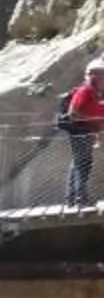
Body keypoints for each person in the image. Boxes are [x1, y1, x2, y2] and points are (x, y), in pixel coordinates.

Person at [58, 58, 104, 208]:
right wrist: (94, 118)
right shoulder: (85, 90)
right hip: (79, 132)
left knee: (80, 163)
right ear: (94, 76)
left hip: (85, 132)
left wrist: (96, 130)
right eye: (102, 75)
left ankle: (72, 199)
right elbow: (73, 114)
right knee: (82, 164)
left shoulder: (95, 93)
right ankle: (79, 199)